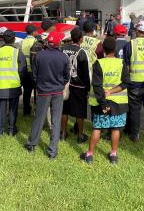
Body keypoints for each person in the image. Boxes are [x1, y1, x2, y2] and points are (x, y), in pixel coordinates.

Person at [81, 37, 130, 164]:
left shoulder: (99, 63)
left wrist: (103, 103)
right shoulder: (121, 63)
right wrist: (112, 91)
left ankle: (90, 154)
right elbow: (126, 83)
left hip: (101, 103)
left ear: (103, 49)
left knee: (97, 128)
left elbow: (97, 86)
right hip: (119, 104)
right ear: (115, 49)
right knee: (115, 129)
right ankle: (113, 154)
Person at [24, 31, 70, 159]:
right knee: (56, 120)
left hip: (43, 91)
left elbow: (34, 75)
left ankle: (32, 144)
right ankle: (52, 151)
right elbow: (67, 77)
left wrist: (40, 85)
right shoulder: (63, 57)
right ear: (58, 43)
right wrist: (59, 84)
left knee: (39, 118)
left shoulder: (39, 56)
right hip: (57, 92)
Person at [0, 30, 27, 136]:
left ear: (3, 38)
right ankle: (11, 130)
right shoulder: (17, 52)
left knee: (0, 109)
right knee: (13, 108)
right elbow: (22, 70)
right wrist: (20, 82)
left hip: (0, 85)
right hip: (14, 85)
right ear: (14, 39)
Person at [60, 27, 91, 142]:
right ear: (81, 39)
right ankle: (80, 135)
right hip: (78, 86)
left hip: (65, 84)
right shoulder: (82, 52)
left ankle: (63, 133)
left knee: (65, 110)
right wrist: (87, 88)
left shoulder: (62, 49)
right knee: (80, 112)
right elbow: (86, 73)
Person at [20, 24, 38, 116]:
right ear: (33, 32)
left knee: (26, 92)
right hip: (33, 70)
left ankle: (26, 111)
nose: (38, 32)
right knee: (36, 91)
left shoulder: (22, 42)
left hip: (24, 70)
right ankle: (36, 110)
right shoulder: (35, 41)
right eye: (37, 31)